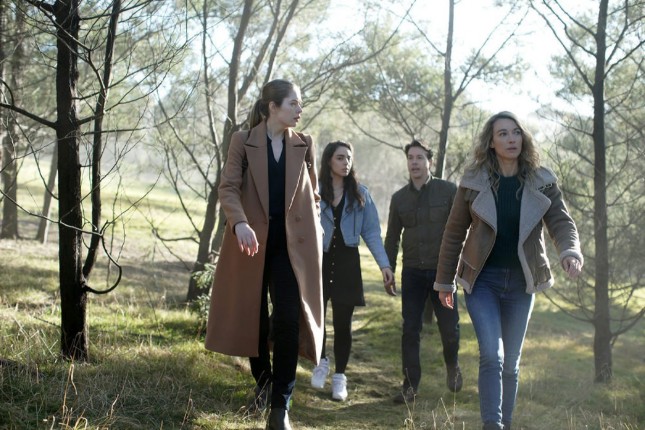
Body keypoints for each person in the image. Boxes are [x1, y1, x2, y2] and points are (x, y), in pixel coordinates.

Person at [433, 111, 583, 430]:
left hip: (521, 283)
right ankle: (493, 425)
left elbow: (561, 222)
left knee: (511, 364)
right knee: (492, 354)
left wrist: (569, 251)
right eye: (502, 134)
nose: (511, 139)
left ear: (523, 138)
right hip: (482, 281)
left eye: (516, 132)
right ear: (491, 142)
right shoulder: (473, 182)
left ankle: (506, 424)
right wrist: (445, 282)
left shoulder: (541, 180)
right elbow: (454, 232)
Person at [204, 79, 324, 430]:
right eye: (293, 103)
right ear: (273, 107)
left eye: (300, 104)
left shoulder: (304, 143)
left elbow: (314, 195)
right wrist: (239, 222)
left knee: (288, 319)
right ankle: (264, 380)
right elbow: (228, 187)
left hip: (292, 248)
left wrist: (317, 227)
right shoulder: (242, 141)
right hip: (251, 245)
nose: (300, 109)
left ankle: (280, 406)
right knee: (252, 320)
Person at [309, 141, 394, 401]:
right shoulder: (314, 190)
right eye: (340, 157)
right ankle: (321, 362)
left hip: (347, 264)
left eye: (348, 157)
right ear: (328, 161)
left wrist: (384, 265)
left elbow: (372, 233)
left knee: (343, 324)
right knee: (317, 319)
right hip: (319, 262)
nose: (346, 162)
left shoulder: (360, 194)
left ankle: (340, 377)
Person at [383, 139, 463, 404]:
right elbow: (392, 237)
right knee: (410, 330)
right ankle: (410, 386)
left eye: (419, 157)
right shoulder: (399, 199)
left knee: (449, 329)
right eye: (410, 158)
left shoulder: (448, 191)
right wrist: (389, 269)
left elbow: (461, 229)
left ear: (430, 161)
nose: (414, 162)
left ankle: (452, 365)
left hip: (443, 274)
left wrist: (459, 265)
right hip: (413, 273)